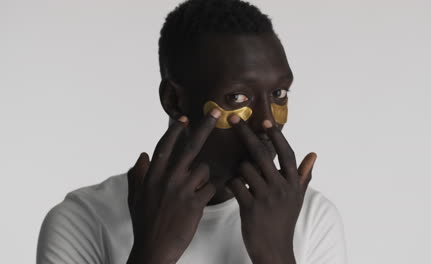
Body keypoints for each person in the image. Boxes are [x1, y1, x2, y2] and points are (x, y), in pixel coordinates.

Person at [36, 0, 347, 263]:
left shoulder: (311, 217)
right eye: (237, 98)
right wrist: (151, 252)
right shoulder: (86, 218)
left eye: (279, 94)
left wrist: (277, 253)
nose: (267, 121)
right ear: (174, 100)